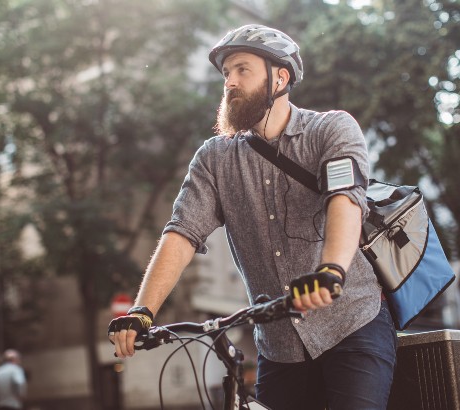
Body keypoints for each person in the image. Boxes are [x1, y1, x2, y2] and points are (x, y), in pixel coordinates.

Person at [108, 24, 396, 409]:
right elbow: (182, 231)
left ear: (281, 77)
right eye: (227, 73)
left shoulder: (330, 129)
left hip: (352, 325)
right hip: (279, 347)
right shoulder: (214, 158)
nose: (230, 81)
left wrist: (331, 271)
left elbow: (344, 200)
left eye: (243, 69)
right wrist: (142, 311)